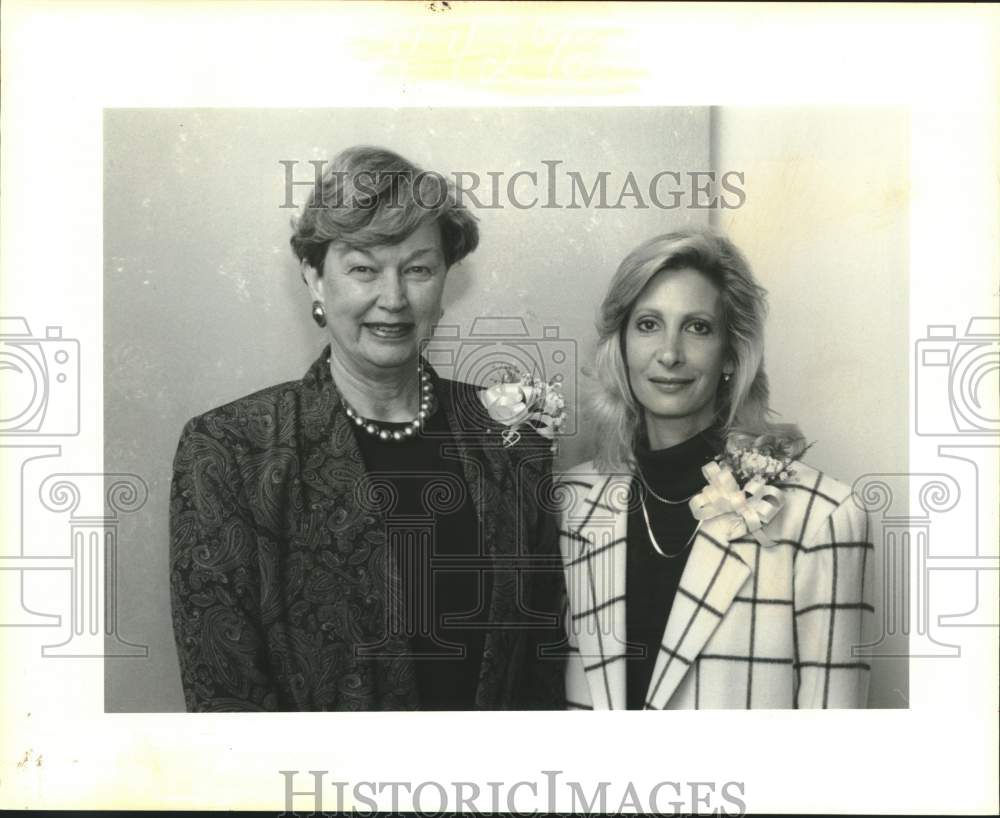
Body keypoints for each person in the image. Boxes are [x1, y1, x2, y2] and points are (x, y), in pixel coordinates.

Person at [169, 145, 565, 711]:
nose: (394, 298)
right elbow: (226, 704)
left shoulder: (509, 436)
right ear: (314, 278)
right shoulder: (230, 451)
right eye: (362, 268)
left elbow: (541, 667)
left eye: (419, 268)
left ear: (446, 281)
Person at [558, 226, 874, 709]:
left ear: (731, 352)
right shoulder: (572, 501)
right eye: (648, 324)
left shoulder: (823, 517)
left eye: (697, 327)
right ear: (620, 344)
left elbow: (831, 754)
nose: (669, 353)